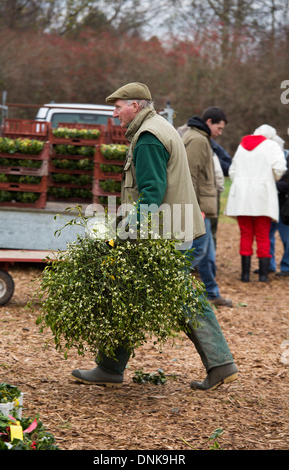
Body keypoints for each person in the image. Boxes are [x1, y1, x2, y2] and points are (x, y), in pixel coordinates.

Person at [72, 82, 238, 390]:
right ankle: (111, 366)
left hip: (165, 233)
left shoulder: (148, 138)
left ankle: (219, 363)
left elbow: (151, 193)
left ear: (135, 106)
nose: (115, 111)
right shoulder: (156, 127)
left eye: (118, 105)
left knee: (167, 297)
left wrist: (124, 232)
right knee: (137, 293)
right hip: (173, 229)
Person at [182, 107, 232, 307]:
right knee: (199, 250)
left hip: (203, 206)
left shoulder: (202, 138)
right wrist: (195, 208)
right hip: (198, 207)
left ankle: (212, 292)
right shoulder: (197, 140)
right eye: (219, 128)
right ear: (209, 121)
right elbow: (189, 176)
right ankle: (168, 282)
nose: (220, 132)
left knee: (208, 255)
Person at [225, 124, 287, 282]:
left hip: (242, 197)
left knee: (245, 234)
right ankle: (263, 276)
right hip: (263, 197)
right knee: (263, 235)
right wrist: (269, 180)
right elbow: (280, 168)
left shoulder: (242, 146)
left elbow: (232, 171)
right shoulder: (271, 145)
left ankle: (245, 275)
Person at [269, 148, 289, 276]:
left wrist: (271, 184)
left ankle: (286, 267)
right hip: (270, 205)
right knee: (267, 236)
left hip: (284, 207)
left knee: (287, 238)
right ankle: (269, 265)